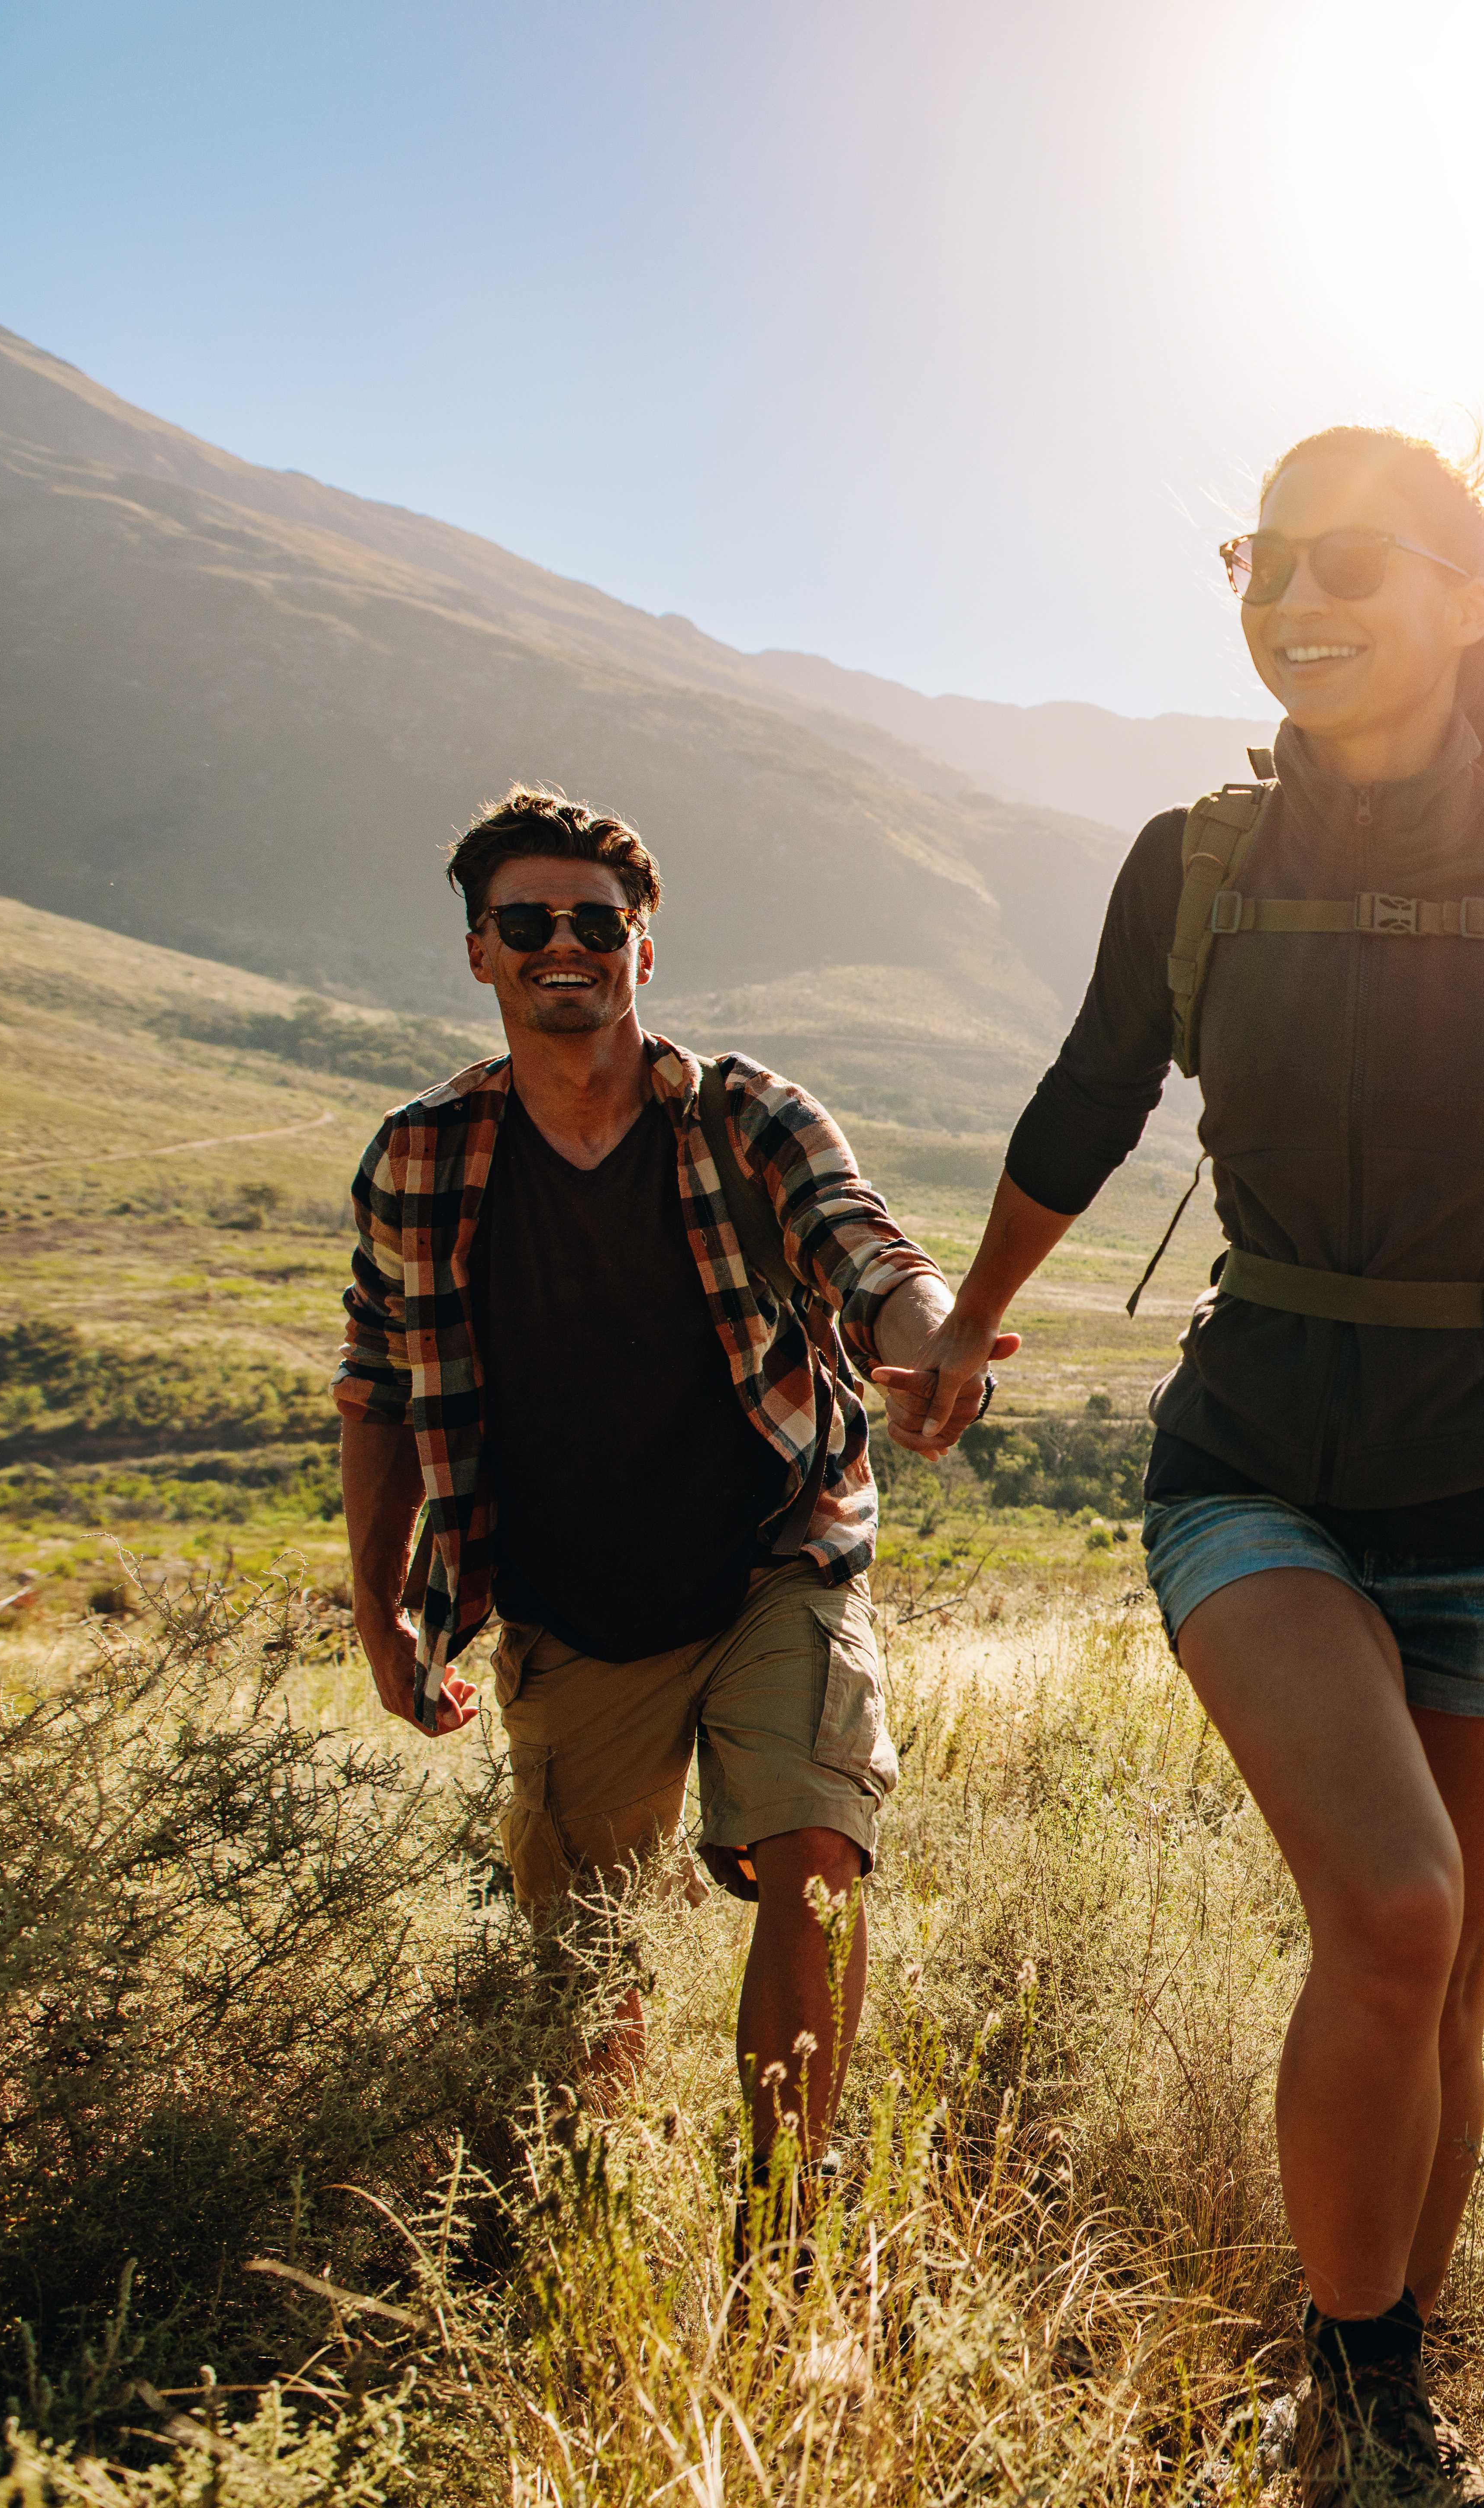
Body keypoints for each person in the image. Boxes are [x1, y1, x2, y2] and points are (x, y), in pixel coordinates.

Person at [886, 427, 1484, 2506]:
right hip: (1255, 1452)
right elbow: (1087, 1096)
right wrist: (972, 1320)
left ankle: (1379, 2399)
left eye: (1350, 557)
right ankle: (1347, 2396)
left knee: (1440, 1967)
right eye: (1263, 557)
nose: (1293, 594)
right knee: (1401, 1897)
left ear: (1458, 592)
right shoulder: (1194, 861)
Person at [336, 785, 1009, 2227]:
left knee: (814, 1854)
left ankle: (789, 2220)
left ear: (647, 948)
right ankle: (599, 2214)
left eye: (598, 922)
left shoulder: (742, 1117)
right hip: (573, 1602)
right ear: (479, 954)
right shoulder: (422, 1158)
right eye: (528, 922)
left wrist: (927, 1346)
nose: (563, 946)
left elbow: (866, 1249)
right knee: (588, 1952)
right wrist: (385, 1610)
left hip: (780, 1551)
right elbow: (378, 1389)